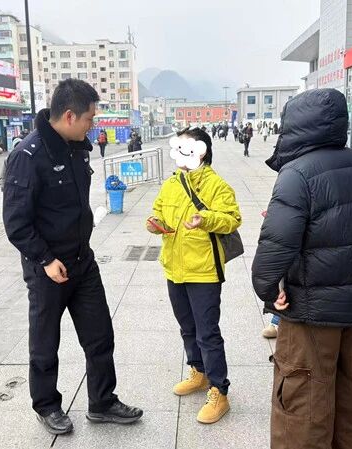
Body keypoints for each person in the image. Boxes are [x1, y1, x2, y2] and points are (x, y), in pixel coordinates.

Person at [2, 78, 143, 436]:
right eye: (89, 119)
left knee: (100, 335)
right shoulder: (27, 156)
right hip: (48, 269)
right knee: (45, 342)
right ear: (69, 115)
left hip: (83, 261)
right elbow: (16, 222)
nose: (92, 126)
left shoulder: (77, 148)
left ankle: (102, 402)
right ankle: (47, 405)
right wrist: (46, 260)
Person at [251, 88, 352, 449]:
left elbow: (275, 246)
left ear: (296, 125)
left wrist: (268, 290)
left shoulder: (297, 172)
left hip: (312, 307)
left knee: (304, 398)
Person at [147, 127, 241, 425]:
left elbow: (232, 219)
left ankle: (219, 391)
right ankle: (199, 372)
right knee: (187, 327)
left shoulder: (216, 185)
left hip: (203, 271)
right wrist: (154, 222)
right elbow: (158, 210)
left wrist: (206, 219)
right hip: (174, 268)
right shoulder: (172, 184)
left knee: (207, 332)